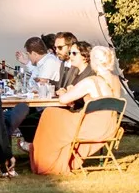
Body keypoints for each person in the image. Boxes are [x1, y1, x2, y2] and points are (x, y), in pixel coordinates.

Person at [24, 46, 122, 175]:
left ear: (94, 61)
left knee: (50, 113)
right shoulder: (116, 80)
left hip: (91, 126)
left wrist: (66, 91)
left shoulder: (91, 81)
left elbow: (64, 100)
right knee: (56, 115)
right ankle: (36, 148)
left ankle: (42, 155)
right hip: (110, 125)